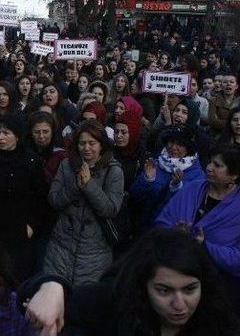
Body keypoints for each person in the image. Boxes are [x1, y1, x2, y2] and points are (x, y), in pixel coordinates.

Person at [22, 228, 238, 336]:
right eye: (164, 291)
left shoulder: (221, 323)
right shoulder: (114, 305)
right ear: (144, 284)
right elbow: (69, 303)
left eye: (190, 289)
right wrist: (51, 286)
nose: (180, 305)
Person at [156, 146, 240, 309]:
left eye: (217, 165)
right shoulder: (192, 188)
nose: (209, 167)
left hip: (220, 290)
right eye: (210, 162)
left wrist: (204, 246)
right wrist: (176, 235)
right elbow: (161, 222)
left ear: (234, 175)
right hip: (176, 277)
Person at [43, 119, 125, 286]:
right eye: (82, 143)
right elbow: (54, 200)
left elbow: (110, 209)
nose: (86, 148)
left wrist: (89, 185)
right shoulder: (67, 165)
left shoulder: (114, 171)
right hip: (60, 248)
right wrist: (75, 185)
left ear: (101, 145)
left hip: (94, 254)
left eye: (92, 143)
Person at [0, 114, 46, 281]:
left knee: (14, 276)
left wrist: (32, 225)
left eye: (6, 133)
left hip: (18, 228)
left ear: (17, 135)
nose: (1, 137)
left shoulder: (31, 160)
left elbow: (40, 196)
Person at [130, 124, 206, 233]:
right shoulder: (157, 162)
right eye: (171, 142)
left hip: (169, 234)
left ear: (188, 148)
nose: (173, 147)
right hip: (143, 229)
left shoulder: (197, 175)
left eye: (180, 144)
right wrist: (146, 180)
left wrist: (176, 188)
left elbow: (187, 210)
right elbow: (135, 196)